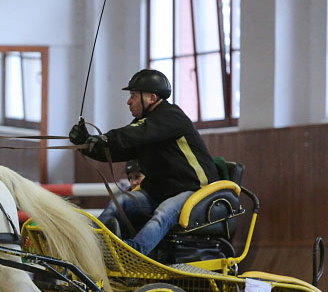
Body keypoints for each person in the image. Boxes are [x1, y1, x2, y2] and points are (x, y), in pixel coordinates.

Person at [69, 69, 218, 256]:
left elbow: (136, 133)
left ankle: (131, 254)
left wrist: (105, 138)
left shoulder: (171, 116)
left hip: (195, 191)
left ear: (151, 98)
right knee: (121, 201)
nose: (128, 101)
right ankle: (90, 244)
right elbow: (119, 149)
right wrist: (86, 143)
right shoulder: (145, 124)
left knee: (163, 214)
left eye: (133, 96)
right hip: (160, 192)